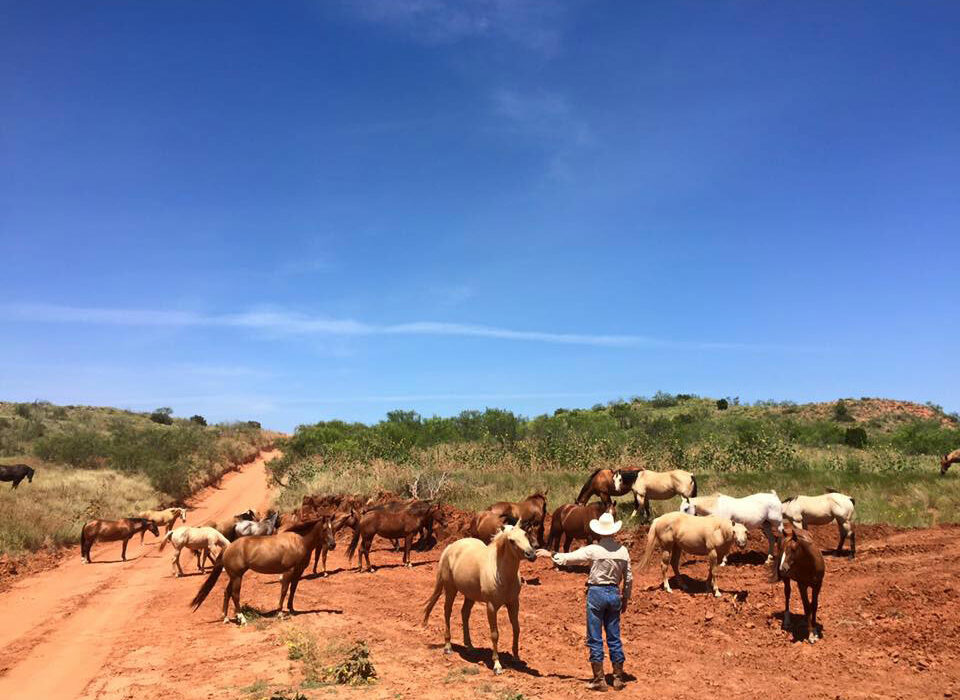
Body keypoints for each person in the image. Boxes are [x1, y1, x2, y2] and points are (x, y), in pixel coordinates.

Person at [537, 511, 632, 692]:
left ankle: (599, 679)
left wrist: (550, 554)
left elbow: (568, 558)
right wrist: (625, 597)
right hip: (614, 592)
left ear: (599, 532)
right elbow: (629, 577)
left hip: (596, 592)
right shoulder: (623, 551)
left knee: (594, 636)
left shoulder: (593, 549)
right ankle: (618, 677)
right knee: (614, 635)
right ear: (613, 531)